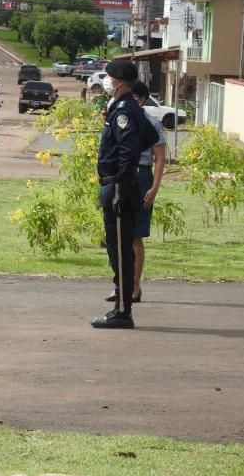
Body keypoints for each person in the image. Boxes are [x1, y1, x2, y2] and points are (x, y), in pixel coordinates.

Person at [91, 60, 145, 329]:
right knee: (115, 248)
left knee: (120, 249)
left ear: (120, 82)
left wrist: (121, 188)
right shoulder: (123, 107)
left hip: (118, 186)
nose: (107, 82)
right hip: (113, 184)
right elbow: (143, 137)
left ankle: (123, 310)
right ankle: (120, 306)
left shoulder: (124, 109)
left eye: (110, 77)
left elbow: (128, 151)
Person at [106, 80, 166, 305]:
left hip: (141, 175)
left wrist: (154, 188)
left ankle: (135, 287)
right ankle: (121, 285)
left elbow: (159, 159)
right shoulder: (118, 118)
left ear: (140, 99)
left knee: (135, 235)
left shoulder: (151, 123)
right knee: (119, 234)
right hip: (121, 176)